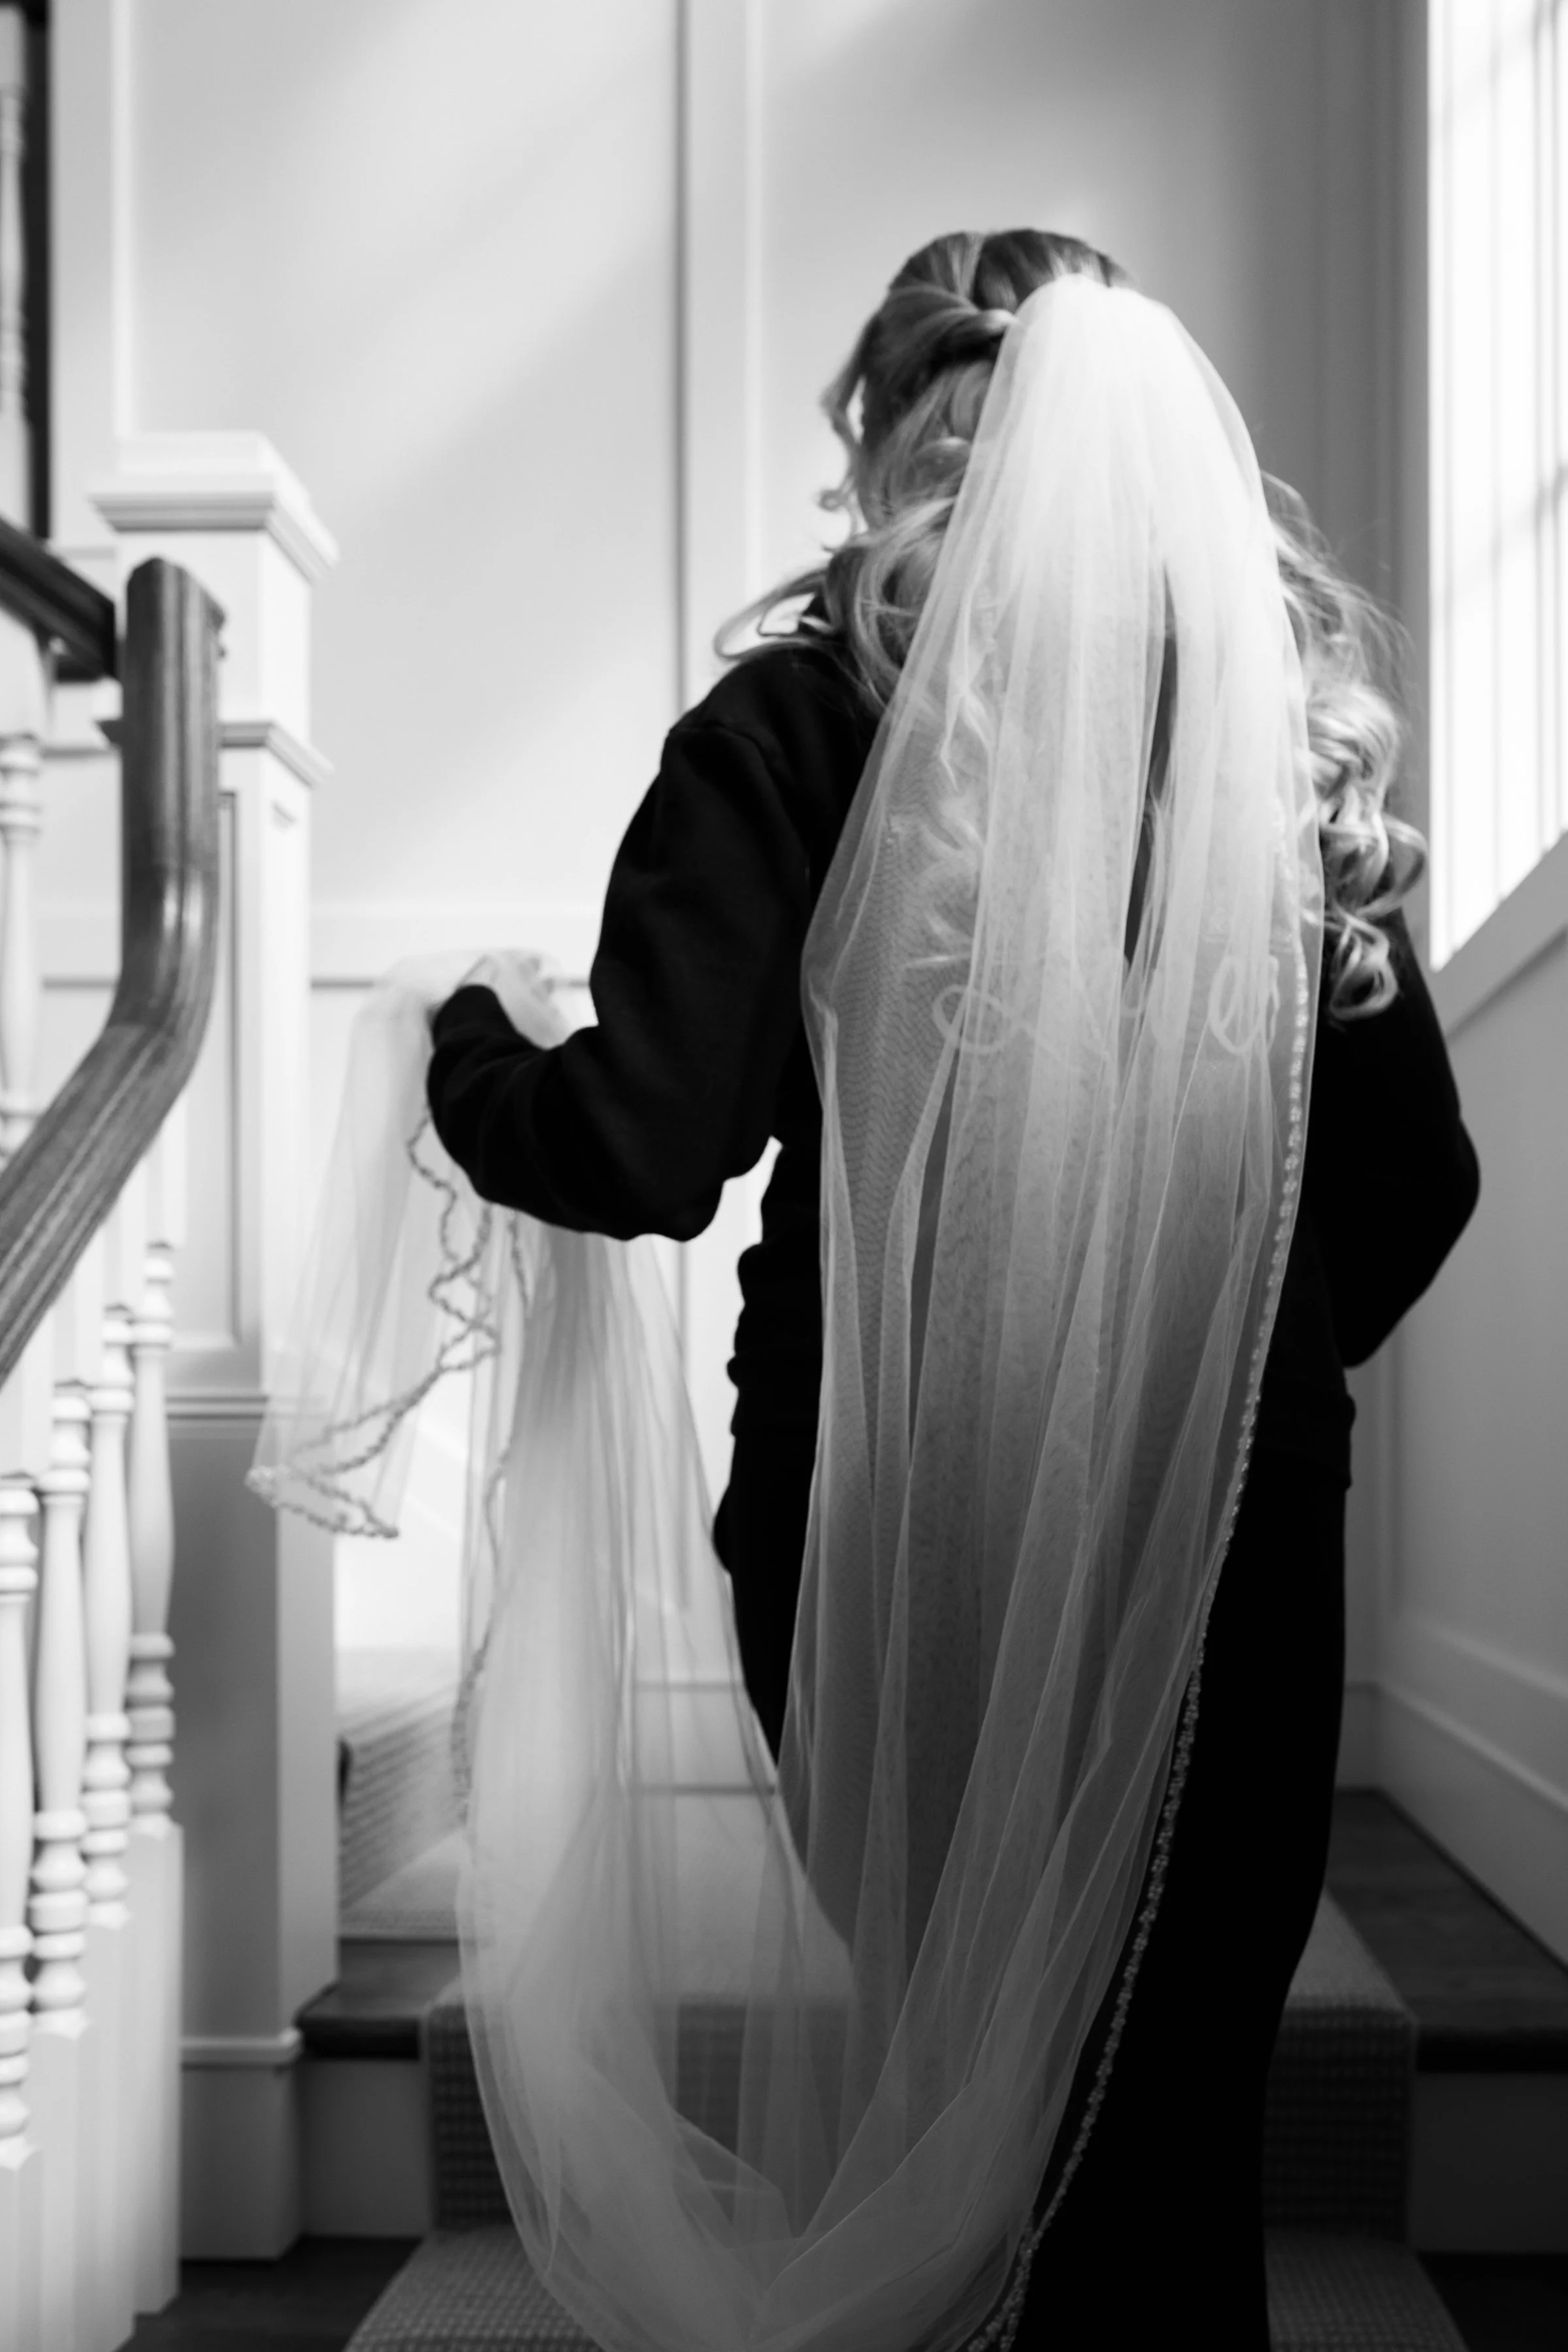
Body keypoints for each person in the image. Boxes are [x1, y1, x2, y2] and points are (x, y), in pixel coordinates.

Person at [284, 233, 1481, 2350]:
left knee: (992, 2080)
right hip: (1233, 1509)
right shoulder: (1267, 739)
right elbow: (1414, 1181)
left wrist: (462, 1041)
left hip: (885, 1502)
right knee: (1176, 2106)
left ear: (882, 437)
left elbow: (639, 1146)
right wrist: (1217, 1371)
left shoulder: (801, 716)